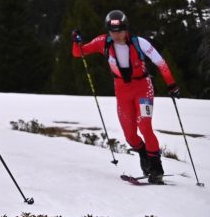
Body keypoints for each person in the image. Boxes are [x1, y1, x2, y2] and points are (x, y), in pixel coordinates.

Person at [72, 10, 180, 183]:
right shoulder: (103, 42)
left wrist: (172, 85)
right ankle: (144, 154)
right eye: (112, 31)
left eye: (120, 31)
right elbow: (79, 53)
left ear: (126, 29)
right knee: (130, 136)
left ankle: (156, 168)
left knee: (145, 127)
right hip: (122, 92)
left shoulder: (139, 42)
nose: (116, 35)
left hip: (143, 88)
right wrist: (76, 41)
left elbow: (161, 63)